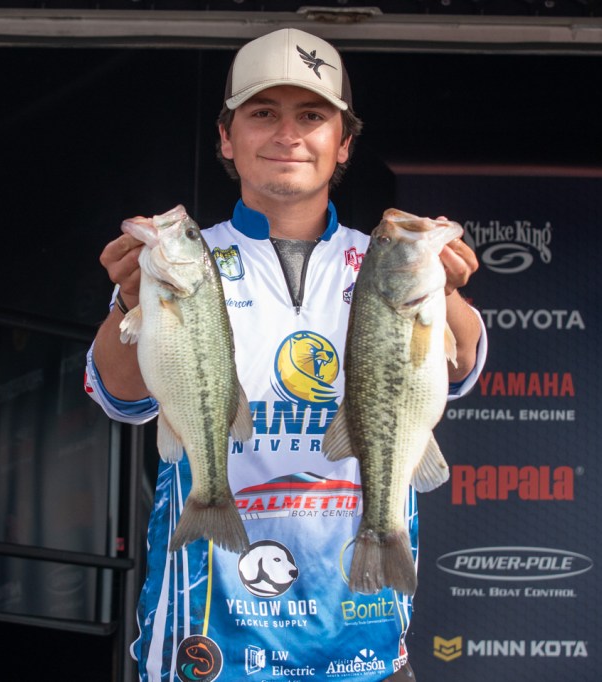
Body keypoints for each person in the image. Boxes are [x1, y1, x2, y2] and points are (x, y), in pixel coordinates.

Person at [85, 28, 487, 682]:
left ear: (344, 142)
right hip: (207, 640)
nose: (287, 134)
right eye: (263, 113)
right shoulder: (183, 257)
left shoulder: (385, 258)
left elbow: (458, 366)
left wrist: (446, 293)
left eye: (311, 116)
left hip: (362, 642)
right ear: (226, 138)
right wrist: (130, 299)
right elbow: (121, 396)